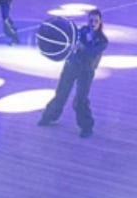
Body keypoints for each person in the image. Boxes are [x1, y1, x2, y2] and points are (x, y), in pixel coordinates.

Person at [38, 9, 109, 137]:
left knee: (81, 100)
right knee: (61, 94)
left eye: (96, 21)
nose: (93, 23)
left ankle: (86, 127)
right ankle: (48, 117)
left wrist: (81, 47)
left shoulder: (102, 40)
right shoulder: (80, 31)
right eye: (91, 20)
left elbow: (92, 52)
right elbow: (69, 43)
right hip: (71, 67)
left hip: (86, 71)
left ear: (100, 22)